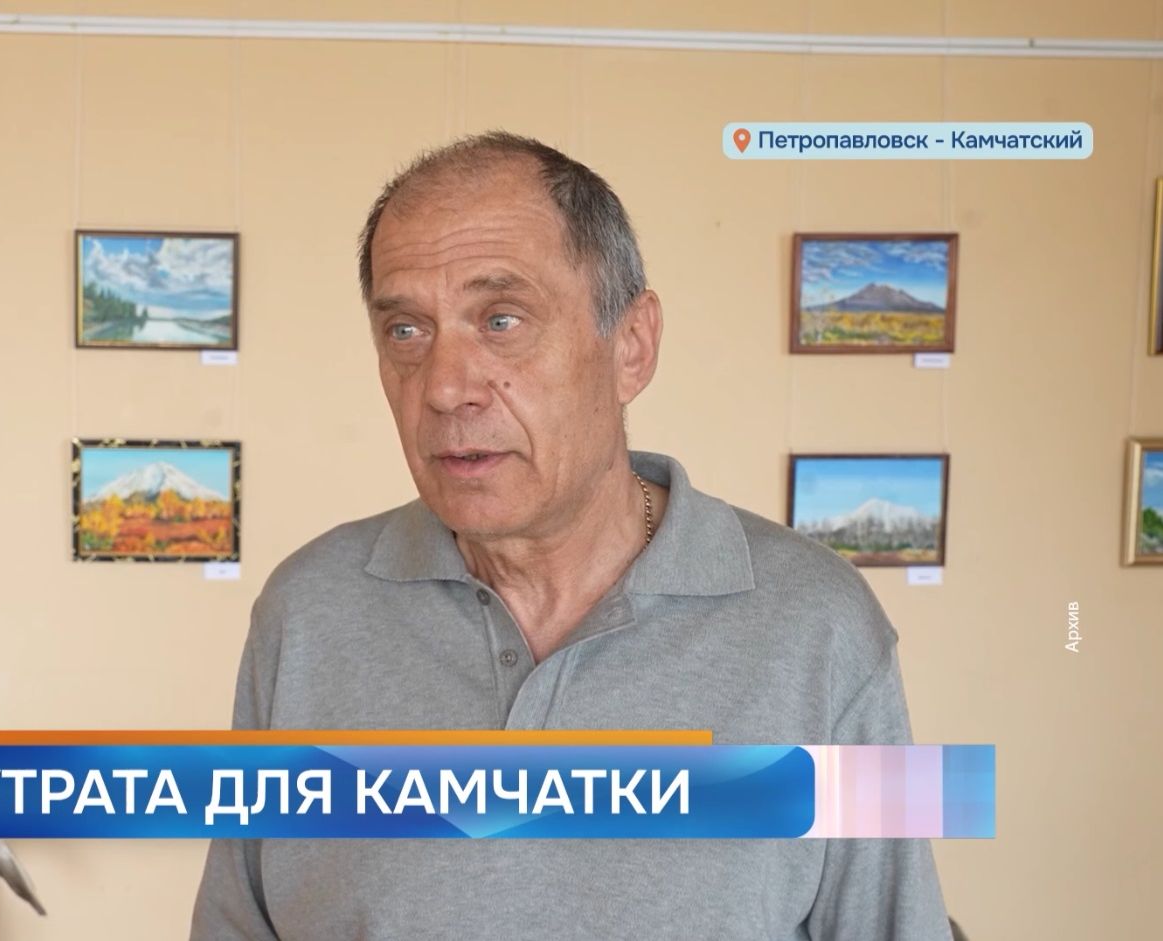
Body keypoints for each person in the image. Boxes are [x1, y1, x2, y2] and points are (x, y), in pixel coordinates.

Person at [189, 131, 951, 940]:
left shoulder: (817, 625)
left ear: (631, 346)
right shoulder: (308, 610)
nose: (443, 387)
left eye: (501, 319)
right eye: (406, 331)